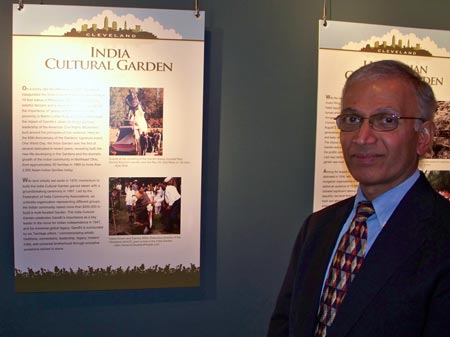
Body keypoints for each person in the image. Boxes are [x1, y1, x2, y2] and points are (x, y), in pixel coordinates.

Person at [267, 60, 450, 337]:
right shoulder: (317, 228)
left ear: (423, 137)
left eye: (386, 120)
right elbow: (285, 325)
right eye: (352, 120)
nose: (362, 138)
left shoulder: (443, 235)